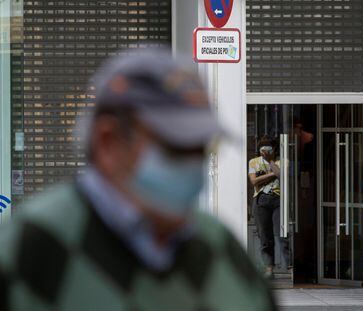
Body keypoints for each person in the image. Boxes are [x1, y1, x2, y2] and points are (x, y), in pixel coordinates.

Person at [0, 49, 277, 310]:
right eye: (176, 148)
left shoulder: (222, 249)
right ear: (108, 142)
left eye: (201, 149)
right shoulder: (30, 247)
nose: (193, 166)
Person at [248, 135, 289, 278]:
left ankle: (287, 266)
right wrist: (273, 174)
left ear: (274, 149)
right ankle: (269, 268)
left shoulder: (282, 161)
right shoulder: (253, 162)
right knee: (265, 237)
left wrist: (270, 161)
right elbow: (253, 181)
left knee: (282, 234)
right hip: (261, 200)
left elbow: (281, 175)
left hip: (278, 200)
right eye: (263, 148)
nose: (265, 151)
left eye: (268, 148)